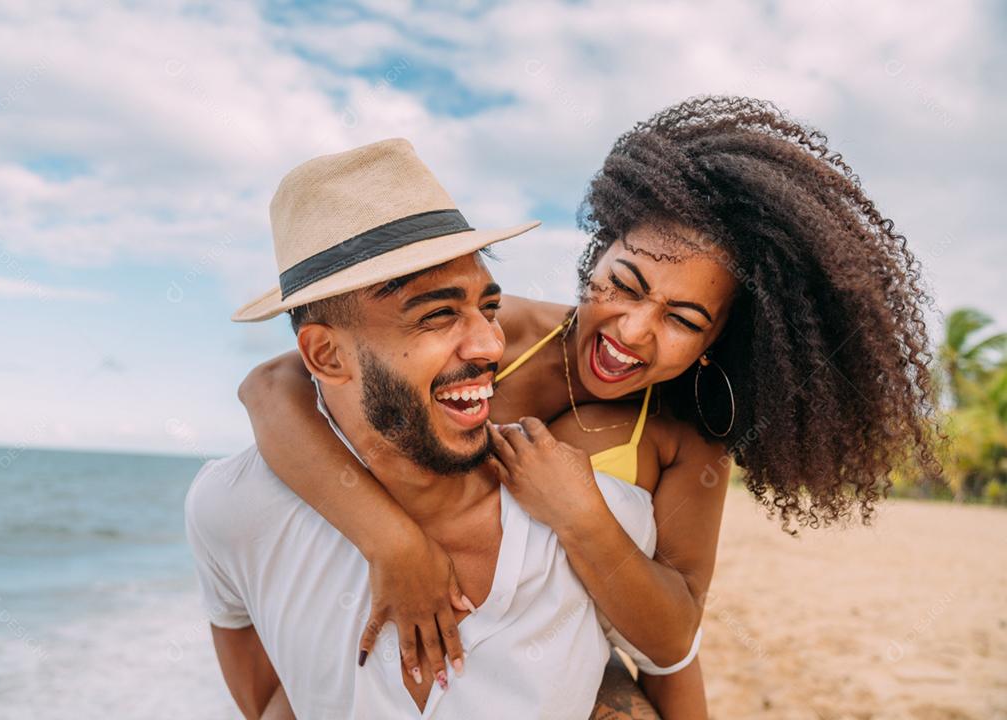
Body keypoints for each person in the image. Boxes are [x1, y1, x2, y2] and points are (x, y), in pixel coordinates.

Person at [238, 97, 942, 717]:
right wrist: (390, 543)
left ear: (717, 341)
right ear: (596, 254)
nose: (632, 332)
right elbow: (271, 387)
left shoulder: (687, 439)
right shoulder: (490, 332)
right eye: (624, 284)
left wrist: (582, 516)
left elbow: (670, 641)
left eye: (684, 319)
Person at [185, 138, 684, 719]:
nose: (490, 344)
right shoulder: (232, 508)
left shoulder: (603, 517)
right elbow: (265, 692)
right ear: (324, 355)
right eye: (438, 314)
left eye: (488, 308)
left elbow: (666, 657)